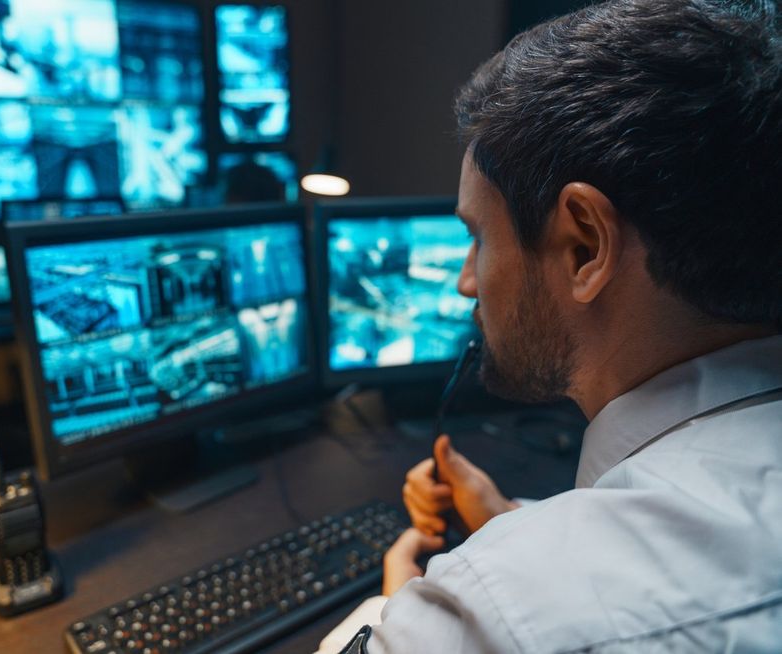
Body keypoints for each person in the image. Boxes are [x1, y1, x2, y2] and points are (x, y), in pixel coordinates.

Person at [317, 0, 782, 651]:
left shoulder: (498, 612)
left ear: (585, 247)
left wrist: (398, 610)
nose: (465, 282)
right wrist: (514, 522)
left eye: (477, 237)